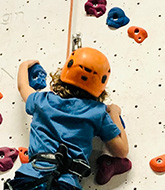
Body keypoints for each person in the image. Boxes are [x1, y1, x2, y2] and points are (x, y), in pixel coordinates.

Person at [4, 47, 129, 190]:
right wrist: (114, 113)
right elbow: (121, 151)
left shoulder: (43, 101)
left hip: (29, 179)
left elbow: (23, 87)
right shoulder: (97, 113)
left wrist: (23, 66)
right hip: (65, 183)